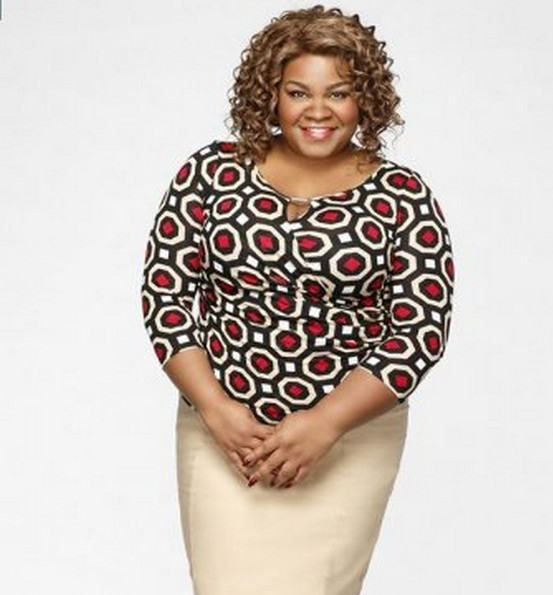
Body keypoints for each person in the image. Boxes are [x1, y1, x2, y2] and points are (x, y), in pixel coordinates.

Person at [140, 5, 455, 595]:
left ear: (365, 99)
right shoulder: (210, 174)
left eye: (339, 92)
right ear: (271, 94)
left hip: (349, 442)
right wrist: (216, 410)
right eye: (298, 92)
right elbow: (167, 296)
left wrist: (324, 424)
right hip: (224, 438)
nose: (318, 110)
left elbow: (420, 332)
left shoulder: (403, 196)